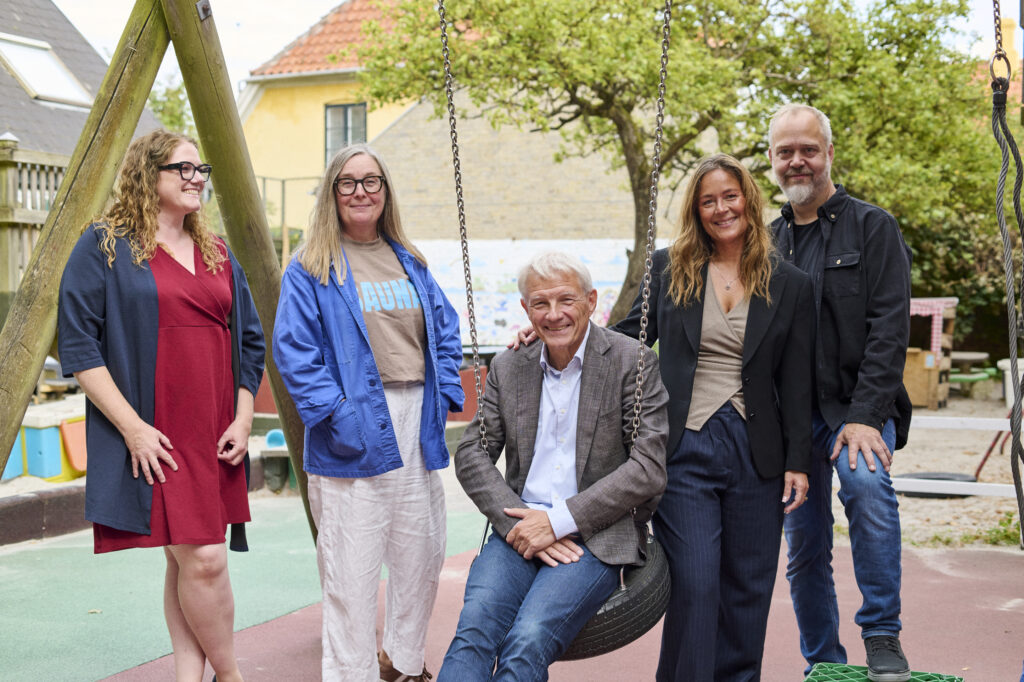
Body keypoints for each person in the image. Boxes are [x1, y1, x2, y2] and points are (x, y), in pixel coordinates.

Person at [58, 129, 265, 682]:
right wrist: (133, 429)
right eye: (184, 169)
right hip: (157, 431)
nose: (197, 179)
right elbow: (79, 346)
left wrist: (244, 418)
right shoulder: (104, 245)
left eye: (202, 170)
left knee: (186, 558)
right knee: (203, 558)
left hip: (214, 430)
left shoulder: (218, 252)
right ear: (148, 174)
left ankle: (188, 678)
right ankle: (232, 676)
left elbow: (250, 341)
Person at [609, 154, 813, 681]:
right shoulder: (668, 267)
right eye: (708, 201)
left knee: (748, 587)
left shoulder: (789, 282)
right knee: (696, 585)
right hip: (684, 446)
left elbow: (797, 380)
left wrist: (798, 460)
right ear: (696, 211)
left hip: (756, 450)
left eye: (730, 196)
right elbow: (626, 339)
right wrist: (554, 335)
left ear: (748, 199)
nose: (721, 209)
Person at [272, 143, 464, 682]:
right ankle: (350, 674)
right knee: (350, 572)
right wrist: (336, 414)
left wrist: (446, 390)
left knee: (421, 556)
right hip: (352, 422)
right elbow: (294, 351)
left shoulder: (409, 260)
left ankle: (402, 663)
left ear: (385, 191)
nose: (361, 191)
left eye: (371, 181)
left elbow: (445, 329)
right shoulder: (310, 267)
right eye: (348, 182)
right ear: (333, 193)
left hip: (415, 423)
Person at [439, 251, 669, 682]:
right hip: (521, 526)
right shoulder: (510, 366)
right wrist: (522, 524)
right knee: (474, 633)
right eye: (540, 303)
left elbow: (647, 469)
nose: (554, 314)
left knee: (527, 640)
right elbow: (471, 453)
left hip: (594, 535)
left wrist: (558, 522)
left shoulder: (631, 361)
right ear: (526, 309)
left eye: (566, 300)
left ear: (591, 301)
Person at [769, 103, 914, 682]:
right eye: (785, 152)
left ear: (828, 153)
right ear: (772, 160)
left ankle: (881, 634)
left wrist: (865, 417)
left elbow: (890, 329)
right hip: (792, 419)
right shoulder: (765, 242)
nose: (797, 161)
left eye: (808, 149)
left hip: (858, 407)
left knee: (866, 485)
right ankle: (823, 660)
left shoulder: (873, 227)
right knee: (804, 541)